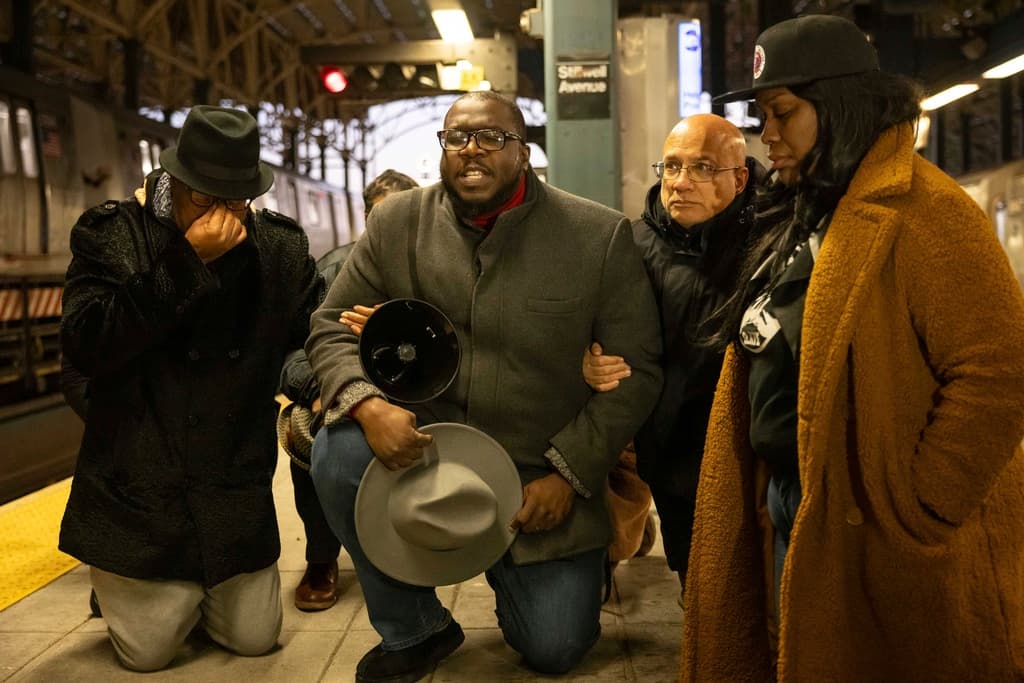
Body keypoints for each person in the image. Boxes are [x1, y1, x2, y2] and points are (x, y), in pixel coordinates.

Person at [680, 15, 1024, 681]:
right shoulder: (809, 210)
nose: (767, 133)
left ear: (838, 107)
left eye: (782, 113)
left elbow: (1000, 369)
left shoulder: (926, 211)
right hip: (795, 502)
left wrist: (920, 505)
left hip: (875, 523)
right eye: (762, 114)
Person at [306, 91, 663, 682]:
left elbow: (638, 371)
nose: (471, 151)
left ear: (523, 153)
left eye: (492, 138)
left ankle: (578, 558)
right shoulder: (397, 223)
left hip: (536, 473)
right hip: (424, 448)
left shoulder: (597, 237)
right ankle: (416, 629)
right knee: (335, 452)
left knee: (554, 647)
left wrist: (570, 474)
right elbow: (329, 325)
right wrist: (367, 405)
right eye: (456, 137)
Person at [58, 105, 324, 672]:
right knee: (149, 655)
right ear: (173, 180)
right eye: (205, 198)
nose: (222, 215)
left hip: (230, 484)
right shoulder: (112, 234)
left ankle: (184, 594)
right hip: (141, 482)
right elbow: (85, 345)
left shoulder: (278, 247)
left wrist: (336, 360)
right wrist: (187, 262)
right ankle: (124, 581)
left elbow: (307, 336)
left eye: (235, 201)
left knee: (256, 640)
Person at [581, 113, 764, 605]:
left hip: (745, 439)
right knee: (699, 592)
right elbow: (591, 327)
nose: (680, 183)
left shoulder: (770, 243)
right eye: (671, 167)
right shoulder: (631, 244)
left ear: (739, 177)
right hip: (663, 440)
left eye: (701, 168)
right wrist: (589, 360)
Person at [277, 168, 418, 611]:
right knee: (307, 431)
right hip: (346, 395)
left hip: (423, 396)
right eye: (381, 219)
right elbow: (292, 357)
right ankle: (321, 558)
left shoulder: (438, 268)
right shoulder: (333, 271)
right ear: (365, 220)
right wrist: (325, 391)